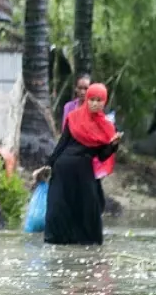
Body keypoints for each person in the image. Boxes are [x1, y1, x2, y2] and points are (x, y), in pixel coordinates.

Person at [41, 82, 122, 245]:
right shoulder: (74, 117)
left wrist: (113, 146)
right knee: (59, 205)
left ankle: (89, 243)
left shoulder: (106, 126)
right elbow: (62, 143)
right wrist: (49, 164)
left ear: (104, 102)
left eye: (99, 100)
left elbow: (102, 156)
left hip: (84, 170)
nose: (94, 103)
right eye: (92, 99)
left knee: (90, 206)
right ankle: (56, 240)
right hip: (63, 168)